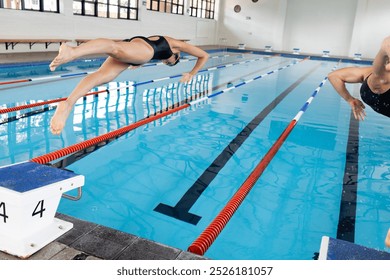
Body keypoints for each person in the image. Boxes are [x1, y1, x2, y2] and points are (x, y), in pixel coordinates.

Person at [49, 35, 209, 135]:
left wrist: (137, 62)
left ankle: (68, 103)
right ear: (177, 55)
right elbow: (204, 56)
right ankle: (73, 51)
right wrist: (192, 73)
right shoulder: (176, 45)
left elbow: (148, 47)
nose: (167, 62)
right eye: (171, 62)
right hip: (144, 51)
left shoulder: (162, 46)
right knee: (115, 48)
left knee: (101, 76)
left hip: (139, 49)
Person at [328, 36, 390, 121]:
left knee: (379, 79)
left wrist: (350, 100)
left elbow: (333, 76)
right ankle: (384, 49)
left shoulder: (367, 72)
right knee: (380, 79)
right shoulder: (371, 73)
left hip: (370, 92)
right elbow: (333, 76)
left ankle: (384, 50)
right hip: (376, 89)